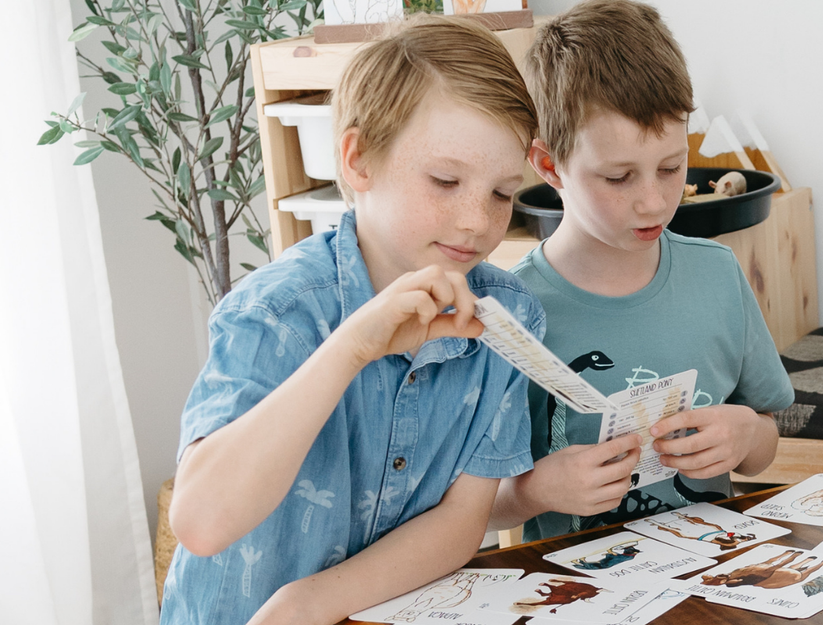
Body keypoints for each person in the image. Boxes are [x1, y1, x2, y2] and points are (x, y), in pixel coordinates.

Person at [161, 15, 541, 624]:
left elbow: (460, 522)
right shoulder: (276, 311)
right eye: (445, 180)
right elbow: (202, 523)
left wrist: (309, 602)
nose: (477, 220)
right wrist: (351, 349)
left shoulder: (507, 317)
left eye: (502, 193)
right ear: (358, 159)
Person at [486, 0, 793, 540]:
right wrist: (536, 491)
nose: (653, 202)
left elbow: (763, 442)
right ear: (550, 165)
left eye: (671, 168)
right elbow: (476, 508)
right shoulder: (511, 312)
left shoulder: (718, 275)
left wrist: (747, 434)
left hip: (711, 571)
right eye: (618, 177)